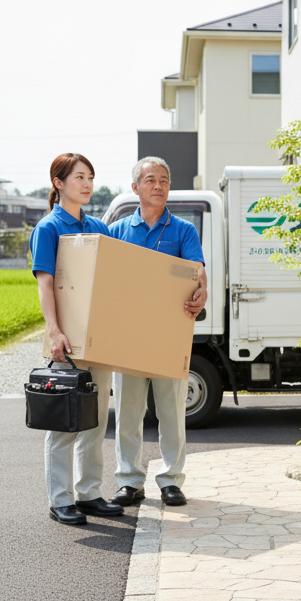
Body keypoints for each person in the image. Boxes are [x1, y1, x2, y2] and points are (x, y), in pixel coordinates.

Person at [30, 153, 125, 526]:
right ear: (59, 183)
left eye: (90, 178)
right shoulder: (49, 228)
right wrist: (54, 330)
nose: (87, 184)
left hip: (98, 337)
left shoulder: (98, 227)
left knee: (96, 419)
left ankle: (88, 493)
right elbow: (46, 283)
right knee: (65, 420)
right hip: (68, 340)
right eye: (79, 177)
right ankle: (60, 500)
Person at [106, 156, 207, 508]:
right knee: (128, 414)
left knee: (172, 412)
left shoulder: (183, 230)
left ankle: (171, 481)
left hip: (169, 335)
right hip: (128, 336)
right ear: (135, 187)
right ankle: (129, 481)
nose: (159, 185)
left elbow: (196, 269)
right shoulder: (117, 231)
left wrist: (202, 289)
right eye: (150, 180)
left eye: (164, 180)